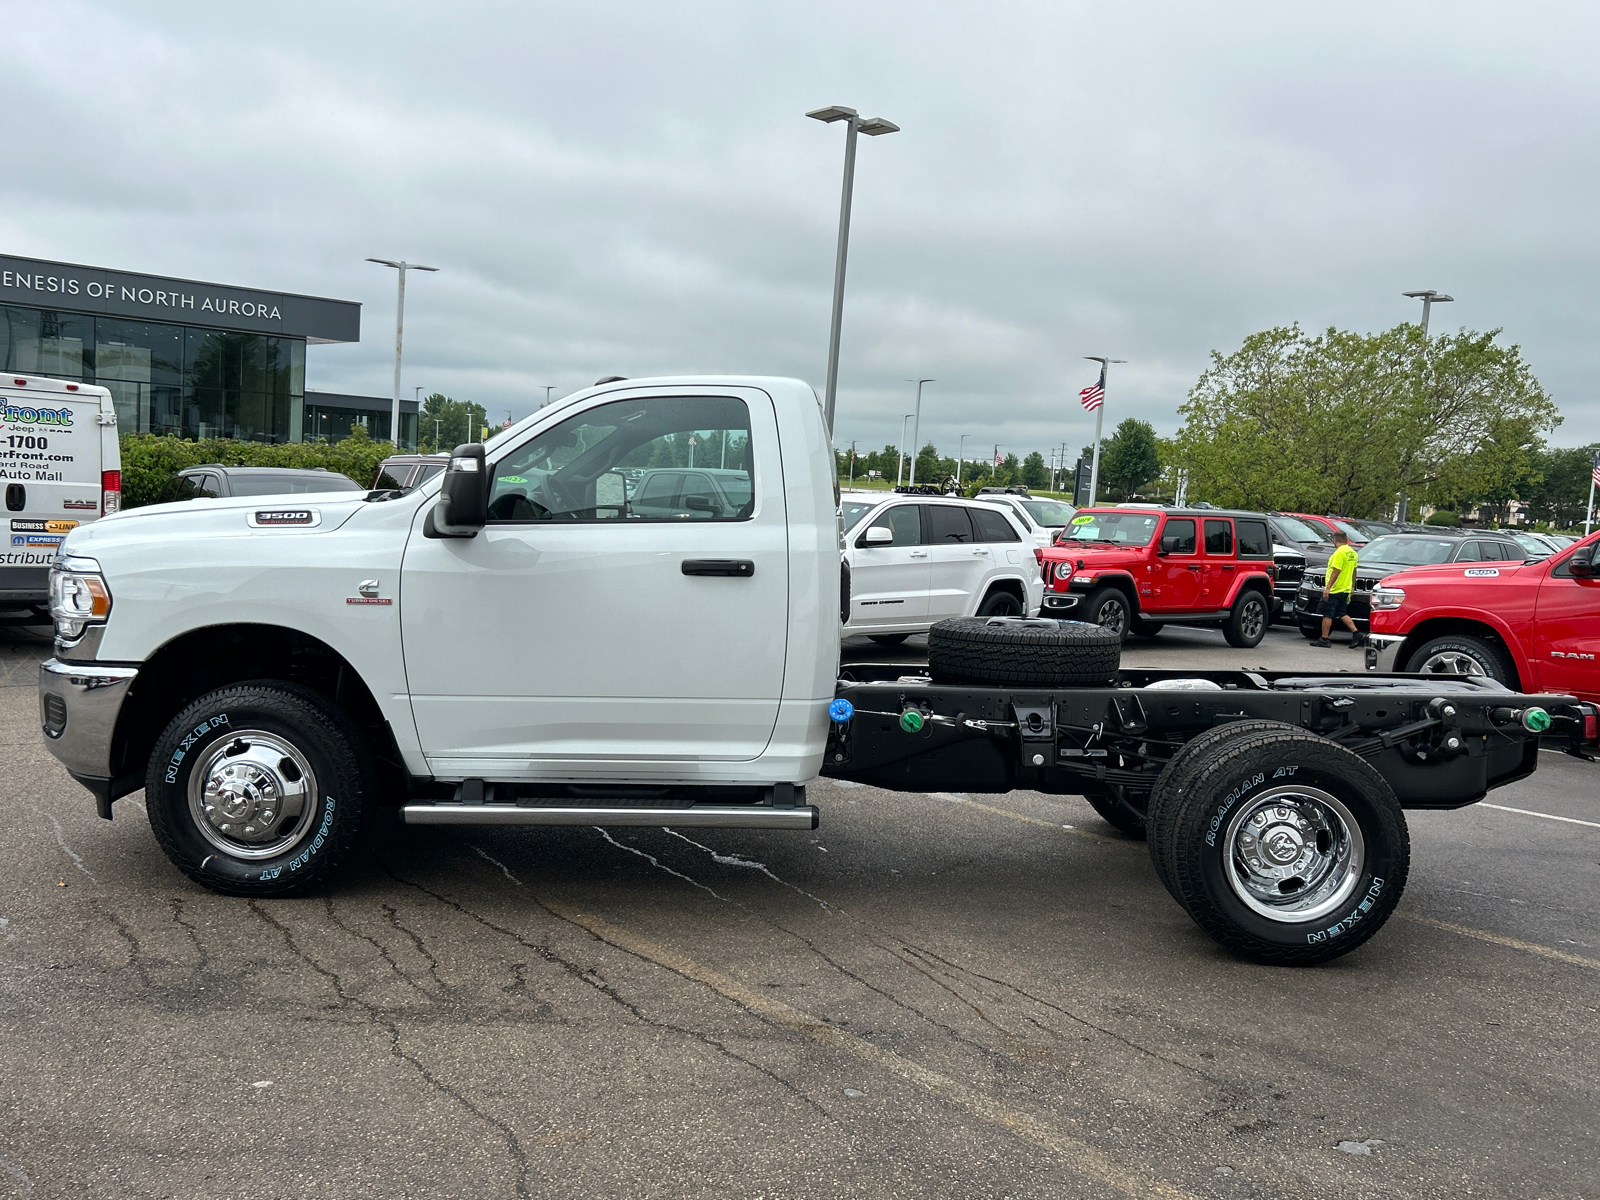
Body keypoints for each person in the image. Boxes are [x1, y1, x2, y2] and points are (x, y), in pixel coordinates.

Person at [1312, 531, 1363, 647]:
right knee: (1341, 613)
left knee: (1327, 613)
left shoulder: (1339, 553)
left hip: (1335, 589)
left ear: (1335, 540)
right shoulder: (1352, 553)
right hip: (1345, 588)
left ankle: (1324, 639)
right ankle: (1357, 633)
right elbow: (1354, 571)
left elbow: (1336, 571)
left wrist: (1328, 588)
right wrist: (1352, 586)